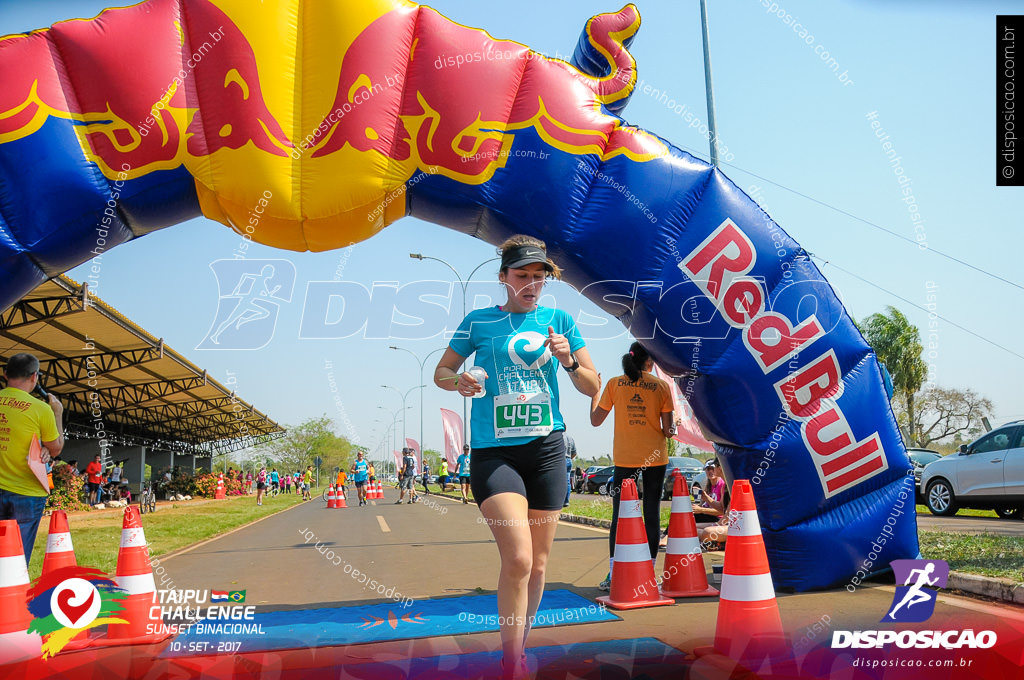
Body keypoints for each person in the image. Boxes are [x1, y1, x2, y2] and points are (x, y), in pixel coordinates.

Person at [434, 235, 599, 679]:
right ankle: (510, 662)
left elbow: (591, 385)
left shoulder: (559, 320)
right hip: (495, 452)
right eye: (522, 276)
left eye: (538, 277)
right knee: (520, 559)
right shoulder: (479, 322)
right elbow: (441, 372)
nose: (531, 284)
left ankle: (519, 646)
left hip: (546, 450)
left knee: (541, 563)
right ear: (503, 277)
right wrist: (460, 381)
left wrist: (568, 361)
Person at [590, 341, 674, 592]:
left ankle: (615, 574)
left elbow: (595, 421)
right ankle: (648, 573)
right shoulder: (661, 386)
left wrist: (595, 393)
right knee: (651, 513)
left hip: (625, 460)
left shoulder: (615, 384)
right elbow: (668, 432)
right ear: (649, 362)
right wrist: (675, 423)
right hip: (655, 459)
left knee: (619, 517)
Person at [0, 354, 64, 564]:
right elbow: (56, 449)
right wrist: (58, 413)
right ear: (35, 377)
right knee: (16, 559)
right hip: (27, 492)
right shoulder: (41, 409)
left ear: (5, 373)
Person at [697, 459, 730, 549]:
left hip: (734, 525)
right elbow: (721, 508)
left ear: (719, 468)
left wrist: (717, 525)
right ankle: (715, 542)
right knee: (693, 528)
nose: (711, 471)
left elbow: (729, 515)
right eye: (708, 469)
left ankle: (718, 543)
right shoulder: (725, 486)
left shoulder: (730, 484)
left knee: (707, 532)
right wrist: (706, 497)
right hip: (725, 522)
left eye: (713, 468)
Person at [563, 435, 577, 508]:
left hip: (561, 459)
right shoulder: (570, 438)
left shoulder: (559, 435)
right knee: (567, 482)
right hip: (569, 459)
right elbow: (574, 453)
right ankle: (566, 501)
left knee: (557, 481)